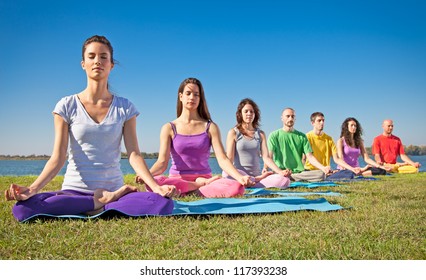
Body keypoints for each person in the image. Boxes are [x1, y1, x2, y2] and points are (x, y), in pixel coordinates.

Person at [5, 35, 177, 222]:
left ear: (111, 65)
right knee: (23, 209)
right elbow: (58, 156)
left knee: (162, 203)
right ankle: (98, 204)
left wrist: (156, 187)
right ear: (83, 64)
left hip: (113, 187)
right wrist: (33, 188)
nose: (97, 61)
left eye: (103, 57)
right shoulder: (66, 105)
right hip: (74, 190)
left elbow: (134, 154)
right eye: (92, 56)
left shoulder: (125, 107)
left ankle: (109, 199)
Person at [136, 77, 254, 197]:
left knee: (236, 187)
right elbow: (162, 162)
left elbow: (223, 159)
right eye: (188, 93)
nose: (192, 97)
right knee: (155, 182)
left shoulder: (210, 127)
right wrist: (146, 175)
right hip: (178, 181)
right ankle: (197, 187)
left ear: (200, 98)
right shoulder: (169, 128)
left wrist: (240, 177)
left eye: (196, 95)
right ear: (181, 96)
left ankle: (192, 189)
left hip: (205, 180)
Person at [223, 98, 290, 189]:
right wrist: (239, 176)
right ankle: (252, 181)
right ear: (240, 114)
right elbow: (229, 159)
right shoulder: (233, 132)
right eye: (246, 111)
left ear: (255, 114)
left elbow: (266, 157)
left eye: (252, 111)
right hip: (239, 176)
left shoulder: (260, 134)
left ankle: (253, 181)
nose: (249, 114)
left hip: (257, 176)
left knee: (285, 180)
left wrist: (280, 172)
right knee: (226, 173)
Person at [267, 108, 330, 182]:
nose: (290, 118)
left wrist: (323, 168)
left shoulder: (302, 136)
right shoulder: (273, 135)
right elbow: (269, 157)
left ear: (295, 118)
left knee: (321, 174)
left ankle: (290, 178)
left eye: (293, 116)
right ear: (282, 118)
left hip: (298, 173)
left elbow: (310, 157)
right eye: (288, 116)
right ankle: (285, 177)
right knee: (277, 176)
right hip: (280, 172)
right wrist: (279, 171)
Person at [305, 112, 360, 180]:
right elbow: (309, 157)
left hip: (325, 172)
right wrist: (323, 168)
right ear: (312, 123)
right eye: (319, 120)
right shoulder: (307, 137)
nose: (322, 122)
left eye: (323, 120)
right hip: (311, 171)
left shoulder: (329, 139)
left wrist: (352, 169)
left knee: (348, 173)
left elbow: (336, 159)